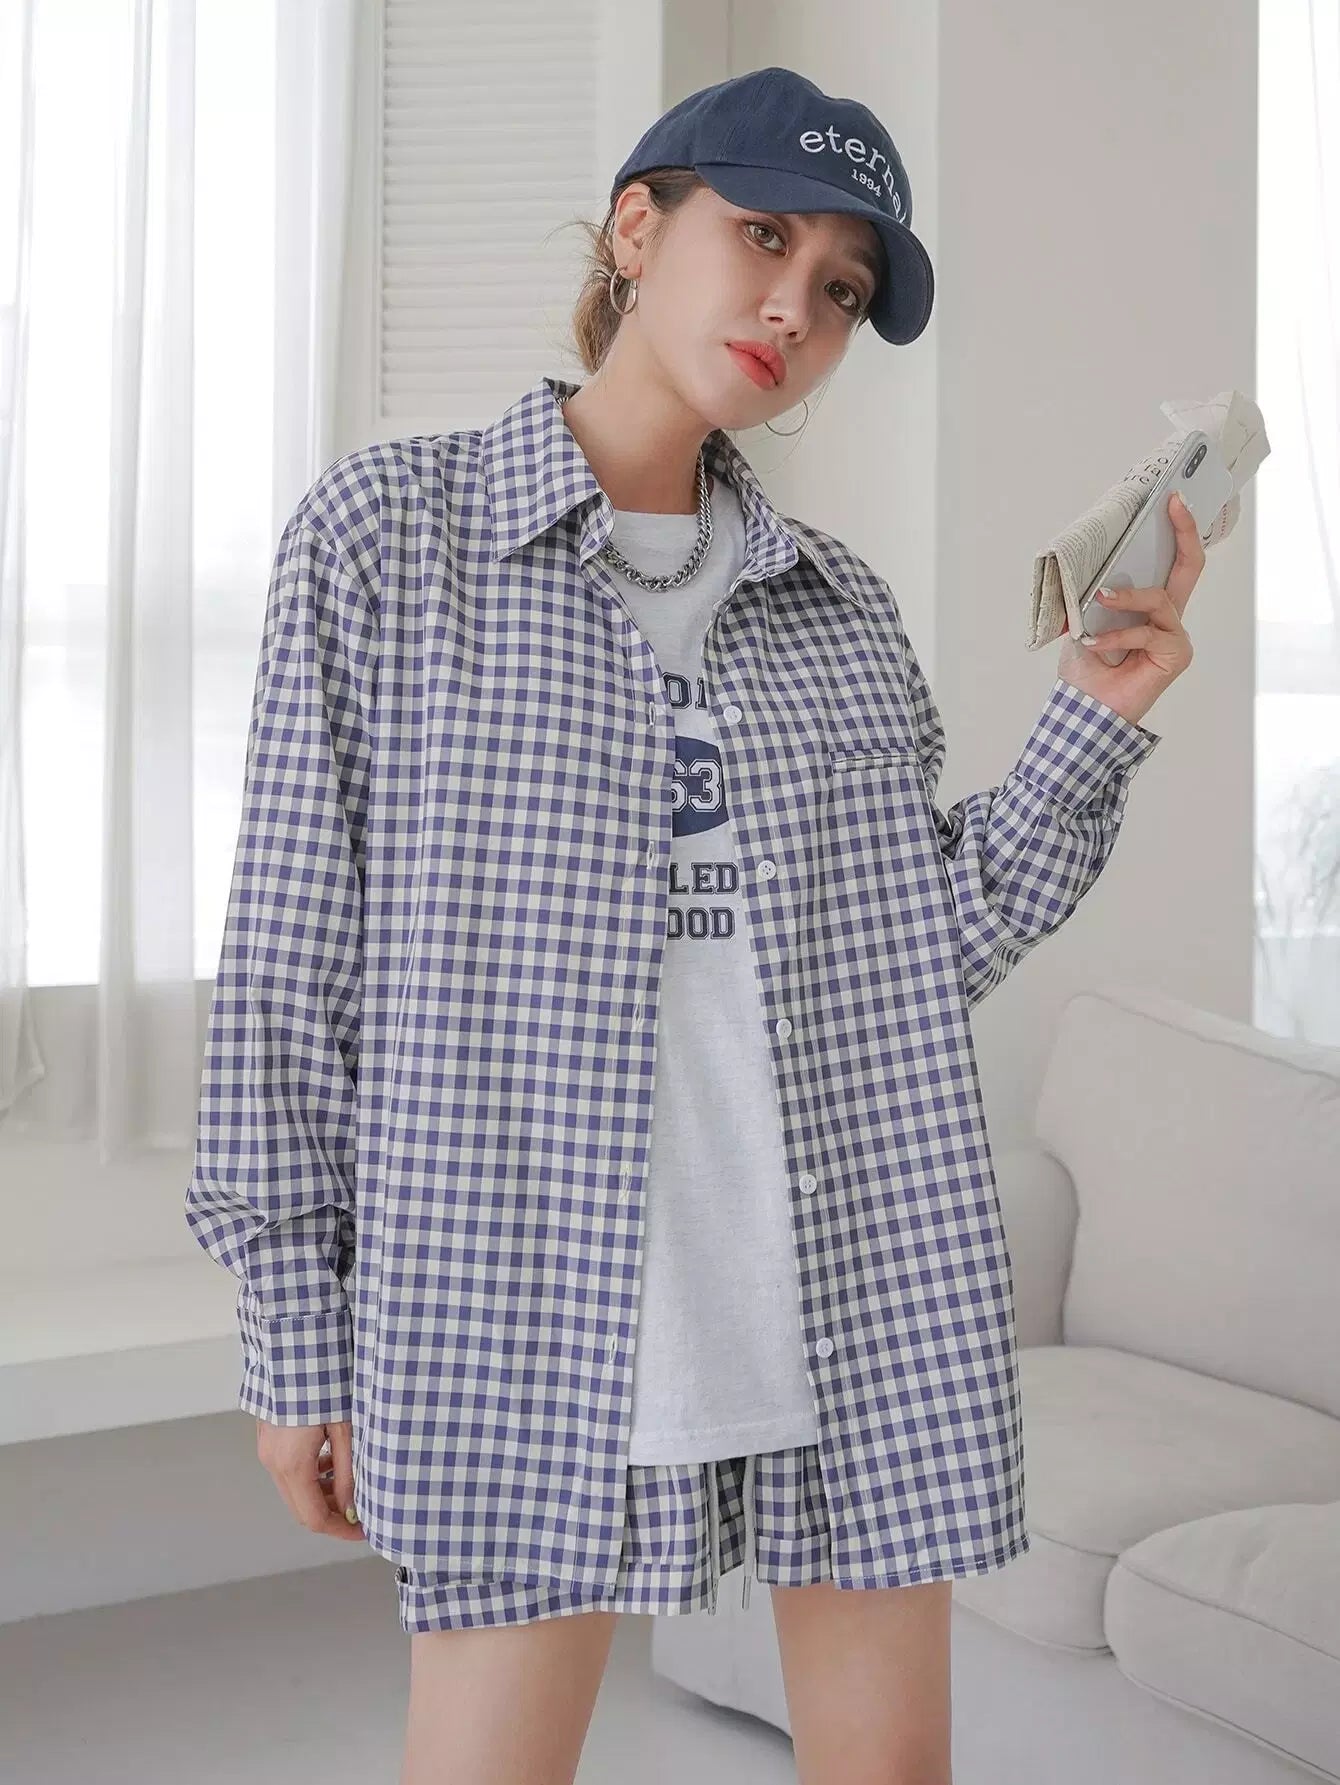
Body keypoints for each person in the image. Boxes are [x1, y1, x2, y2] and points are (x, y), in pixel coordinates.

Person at [185, 64, 1203, 1785]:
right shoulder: (392, 541)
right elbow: (293, 971)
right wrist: (294, 1329)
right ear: (638, 231)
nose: (798, 307)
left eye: (844, 289)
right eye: (765, 237)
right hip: (520, 1297)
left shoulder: (840, 611)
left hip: (848, 1286)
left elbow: (916, 959)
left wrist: (1095, 713)